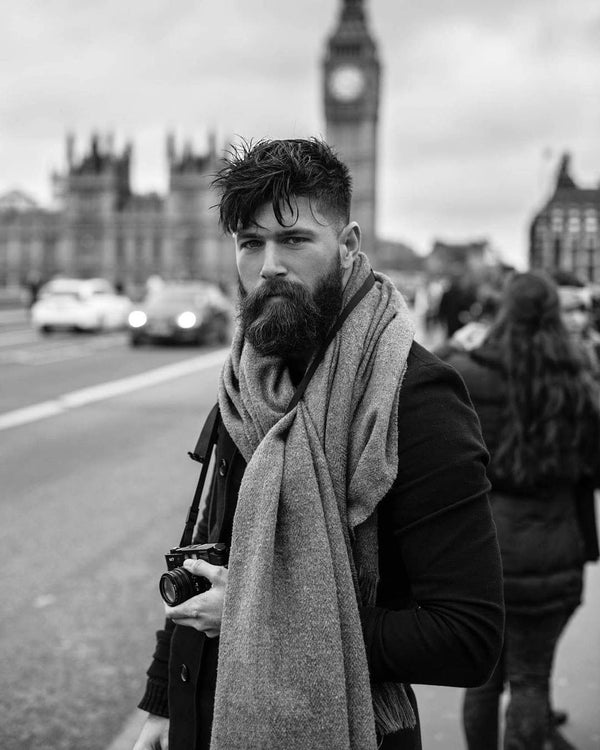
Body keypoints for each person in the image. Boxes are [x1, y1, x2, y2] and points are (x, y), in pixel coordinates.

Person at [132, 138, 504, 750]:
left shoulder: (416, 398)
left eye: (295, 240)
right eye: (251, 243)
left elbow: (467, 638)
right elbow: (210, 552)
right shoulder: (249, 381)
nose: (269, 265)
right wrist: (163, 701)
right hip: (210, 720)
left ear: (349, 244)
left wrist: (261, 620)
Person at [442, 272, 600, 750]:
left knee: (482, 679)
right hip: (554, 549)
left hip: (483, 548)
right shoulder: (577, 379)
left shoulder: (468, 373)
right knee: (531, 679)